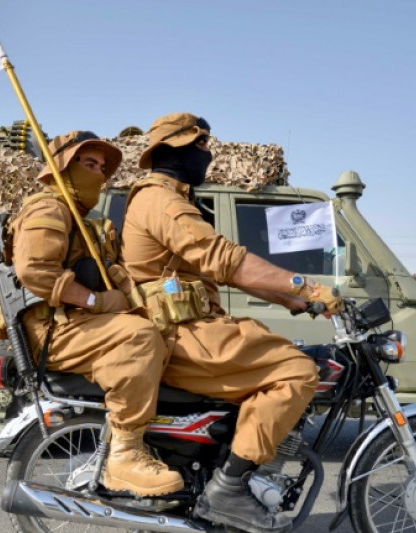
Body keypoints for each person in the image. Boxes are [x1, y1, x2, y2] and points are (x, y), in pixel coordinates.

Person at [120, 112, 342, 533]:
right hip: (179, 335)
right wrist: (307, 286)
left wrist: (295, 301)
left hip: (191, 328)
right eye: (202, 146)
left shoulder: (171, 198)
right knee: (297, 371)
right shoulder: (161, 201)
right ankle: (228, 488)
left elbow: (220, 271)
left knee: (274, 351)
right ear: (176, 151)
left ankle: (227, 471)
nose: (208, 154)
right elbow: (225, 260)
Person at [10, 130, 183, 497]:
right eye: (89, 164)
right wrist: (97, 302)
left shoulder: (84, 220)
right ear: (62, 167)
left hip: (76, 326)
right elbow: (36, 270)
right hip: (50, 332)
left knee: (164, 330)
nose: (99, 174)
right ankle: (125, 454)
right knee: (138, 338)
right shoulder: (48, 207)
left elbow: (112, 271)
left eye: (102, 168)